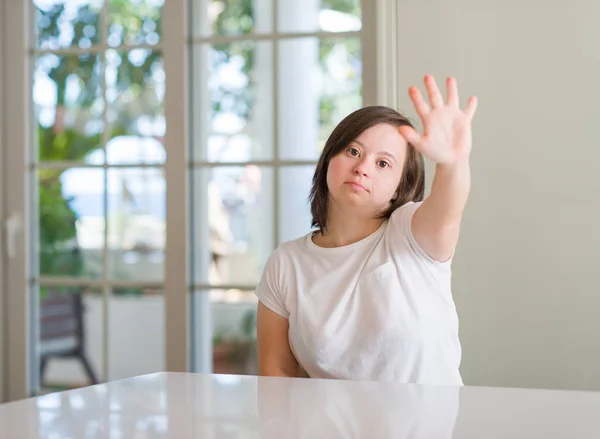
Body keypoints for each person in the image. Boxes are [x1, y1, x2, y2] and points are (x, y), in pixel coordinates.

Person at [255, 75, 478, 385]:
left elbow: (448, 213)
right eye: (353, 152)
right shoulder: (286, 263)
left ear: (402, 186)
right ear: (329, 157)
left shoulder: (411, 233)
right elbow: (275, 377)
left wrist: (453, 163)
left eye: (383, 164)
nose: (362, 168)